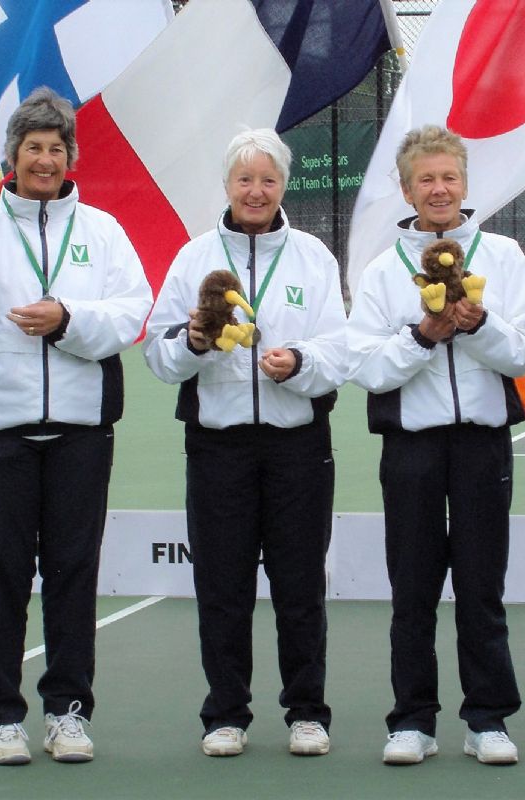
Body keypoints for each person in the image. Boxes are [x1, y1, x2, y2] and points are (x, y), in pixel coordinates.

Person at [0, 87, 153, 765]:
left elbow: (130, 312)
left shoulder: (103, 231)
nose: (45, 159)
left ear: (70, 157)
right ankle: (2, 717)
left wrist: (68, 320)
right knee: (1, 575)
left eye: (56, 148)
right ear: (11, 159)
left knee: (73, 574)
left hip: (82, 433)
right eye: (33, 148)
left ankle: (67, 713)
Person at [143, 128, 348, 757]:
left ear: (283, 186)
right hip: (218, 449)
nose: (256, 191)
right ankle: (225, 713)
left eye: (268, 179)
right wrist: (197, 343)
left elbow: (339, 350)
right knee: (222, 585)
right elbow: (158, 351)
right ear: (227, 186)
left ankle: (307, 712)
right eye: (244, 179)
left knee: (299, 583)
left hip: (296, 447)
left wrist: (300, 363)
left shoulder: (313, 255)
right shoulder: (193, 256)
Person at [346, 125, 525, 766]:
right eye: (425, 179)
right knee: (414, 587)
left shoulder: (504, 256)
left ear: (465, 184)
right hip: (413, 448)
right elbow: (369, 369)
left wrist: (477, 326)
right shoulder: (381, 269)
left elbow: (523, 353)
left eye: (448, 177)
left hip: (483, 444)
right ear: (406, 189)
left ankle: (487, 720)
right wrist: (423, 335)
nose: (438, 189)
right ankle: (412, 721)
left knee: (482, 585)